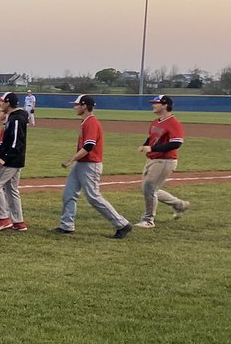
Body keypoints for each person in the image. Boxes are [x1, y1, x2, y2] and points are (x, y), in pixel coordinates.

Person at [56, 95, 132, 238]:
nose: (74, 107)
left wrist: (70, 160)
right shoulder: (85, 122)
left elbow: (89, 146)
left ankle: (122, 224)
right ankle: (66, 225)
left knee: (93, 197)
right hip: (82, 164)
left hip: (91, 164)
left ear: (84, 106)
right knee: (69, 193)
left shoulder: (91, 122)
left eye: (77, 105)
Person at [136, 94, 190, 228]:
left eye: (156, 103)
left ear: (165, 105)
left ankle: (148, 220)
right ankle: (179, 205)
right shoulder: (156, 121)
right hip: (153, 159)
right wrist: (145, 145)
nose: (153, 105)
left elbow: (176, 143)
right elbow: (151, 138)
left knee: (149, 188)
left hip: (165, 160)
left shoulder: (174, 123)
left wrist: (152, 148)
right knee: (148, 188)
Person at [0, 92, 29, 232]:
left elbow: (15, 143)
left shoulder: (16, 119)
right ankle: (18, 221)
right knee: (11, 190)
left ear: (8, 103)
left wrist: (4, 158)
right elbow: (7, 143)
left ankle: (3, 219)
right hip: (15, 159)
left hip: (12, 160)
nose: (0, 104)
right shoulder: (14, 117)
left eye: (2, 101)